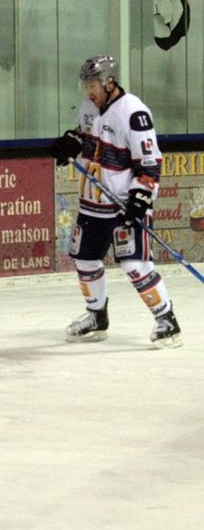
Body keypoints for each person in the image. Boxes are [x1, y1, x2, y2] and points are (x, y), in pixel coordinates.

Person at [51, 55, 182, 348]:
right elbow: (87, 137)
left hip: (124, 204)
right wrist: (72, 141)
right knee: (85, 259)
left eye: (93, 85)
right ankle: (97, 316)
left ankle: (167, 321)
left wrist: (140, 199)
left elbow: (150, 163)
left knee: (134, 264)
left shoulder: (134, 113)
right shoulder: (89, 107)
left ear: (109, 82)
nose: (88, 91)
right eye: (86, 85)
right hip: (92, 204)